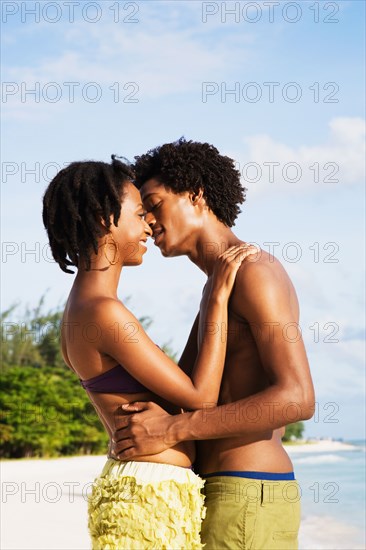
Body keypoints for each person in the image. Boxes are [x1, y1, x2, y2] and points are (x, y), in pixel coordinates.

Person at [42, 157, 258, 550]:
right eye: (140, 214)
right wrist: (215, 300)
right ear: (104, 217)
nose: (148, 226)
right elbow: (201, 398)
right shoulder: (105, 312)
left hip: (145, 493)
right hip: (147, 499)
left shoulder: (84, 305)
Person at [111, 138, 316, 550]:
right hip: (224, 494)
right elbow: (193, 393)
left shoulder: (255, 272)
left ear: (196, 195)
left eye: (154, 203)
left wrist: (172, 428)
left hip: (247, 494)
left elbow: (297, 398)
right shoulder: (216, 289)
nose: (148, 220)